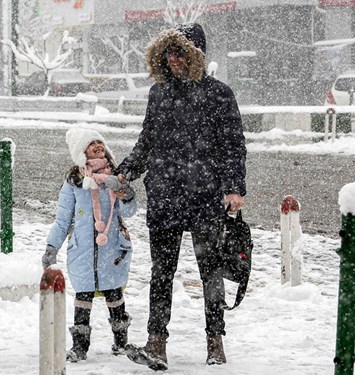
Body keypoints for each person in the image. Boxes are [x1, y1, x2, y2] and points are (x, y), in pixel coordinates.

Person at [115, 23, 246, 370]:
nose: (173, 59)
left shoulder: (219, 94)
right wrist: (126, 170)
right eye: (168, 53)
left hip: (205, 195)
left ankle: (215, 340)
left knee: (210, 271)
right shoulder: (159, 94)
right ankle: (156, 341)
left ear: (195, 56)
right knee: (162, 272)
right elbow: (146, 141)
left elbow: (233, 146)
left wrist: (234, 187)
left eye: (180, 53)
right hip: (165, 195)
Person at [43, 128, 137, 363]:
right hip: (83, 250)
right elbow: (63, 219)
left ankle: (121, 342)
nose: (97, 145)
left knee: (114, 294)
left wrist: (123, 191)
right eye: (91, 143)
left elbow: (129, 211)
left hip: (112, 247)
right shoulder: (74, 183)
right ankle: (80, 346)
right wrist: (52, 247)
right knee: (83, 297)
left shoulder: (115, 176)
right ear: (80, 152)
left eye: (99, 142)